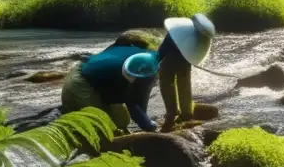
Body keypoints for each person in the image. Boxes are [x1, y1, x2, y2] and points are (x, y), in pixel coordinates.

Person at [60, 14, 215, 133]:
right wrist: (150, 126)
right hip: (80, 83)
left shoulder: (161, 51)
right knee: (108, 126)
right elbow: (133, 102)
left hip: (93, 73)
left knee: (122, 120)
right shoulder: (145, 66)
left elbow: (142, 96)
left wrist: (179, 115)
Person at [157, 13, 216, 131]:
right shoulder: (201, 39)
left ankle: (171, 112)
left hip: (170, 58)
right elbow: (196, 55)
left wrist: (157, 59)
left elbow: (163, 48)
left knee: (166, 82)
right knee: (184, 84)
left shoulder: (177, 30)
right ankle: (186, 113)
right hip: (185, 60)